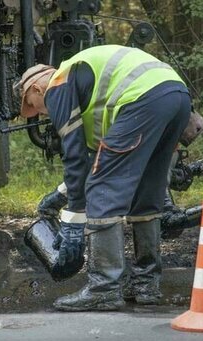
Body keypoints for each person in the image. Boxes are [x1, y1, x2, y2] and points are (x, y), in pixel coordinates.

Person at [15, 45, 191, 311]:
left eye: (34, 107)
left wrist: (73, 218)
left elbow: (74, 156)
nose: (42, 113)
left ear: (37, 90)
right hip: (175, 95)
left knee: (102, 190)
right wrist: (61, 195)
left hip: (142, 99)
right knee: (145, 191)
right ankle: (146, 284)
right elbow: (93, 162)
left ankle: (104, 288)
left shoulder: (57, 85)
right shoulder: (89, 88)